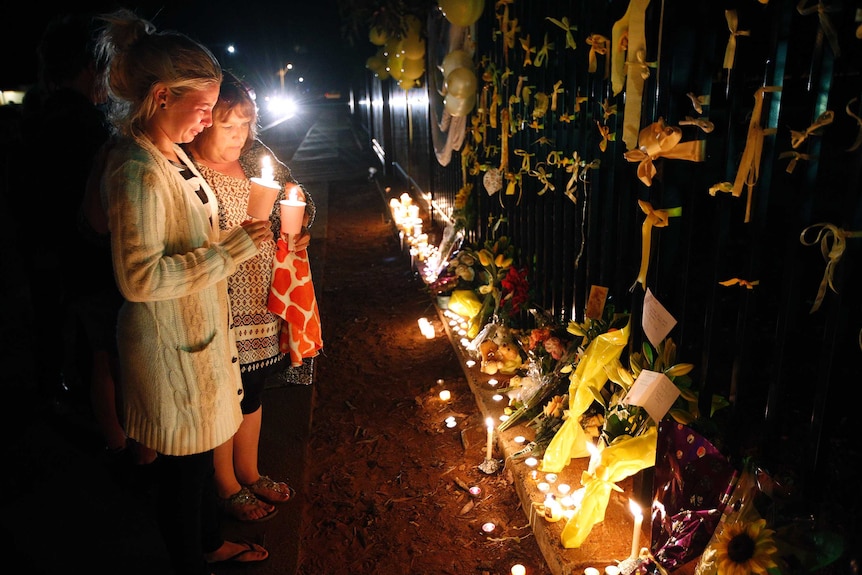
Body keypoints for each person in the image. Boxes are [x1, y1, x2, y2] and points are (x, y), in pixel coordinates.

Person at [94, 9, 272, 572]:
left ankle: (207, 543)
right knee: (180, 479)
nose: (206, 121)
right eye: (201, 109)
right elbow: (140, 277)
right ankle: (191, 556)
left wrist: (237, 235)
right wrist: (231, 251)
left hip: (195, 341)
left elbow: (187, 234)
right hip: (171, 352)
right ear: (163, 96)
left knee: (193, 473)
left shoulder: (172, 157)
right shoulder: (137, 170)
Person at [184, 72, 315, 522]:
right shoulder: (188, 172)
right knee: (224, 396)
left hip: (262, 299)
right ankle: (224, 484)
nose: (239, 136)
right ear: (203, 123)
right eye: (228, 126)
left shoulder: (258, 158)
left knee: (254, 389)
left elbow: (299, 199)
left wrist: (297, 233)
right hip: (218, 302)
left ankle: (249, 469)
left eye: (245, 125)